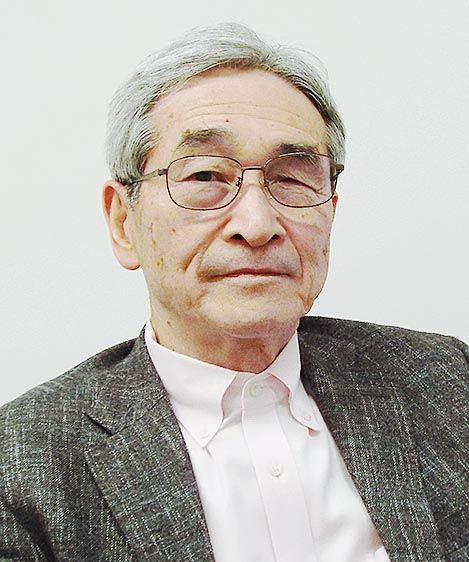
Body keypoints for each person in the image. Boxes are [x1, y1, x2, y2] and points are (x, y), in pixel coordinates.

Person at [0, 22, 467, 562]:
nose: (257, 223)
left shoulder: (446, 381)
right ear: (124, 221)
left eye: (292, 178)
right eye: (204, 177)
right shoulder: (22, 466)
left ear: (330, 212)